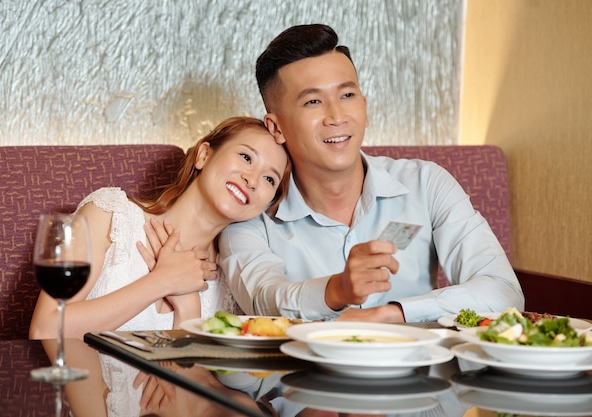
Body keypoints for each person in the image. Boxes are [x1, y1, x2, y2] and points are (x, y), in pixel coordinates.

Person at [218, 24, 524, 324]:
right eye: (313, 102)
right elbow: (263, 299)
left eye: (347, 95)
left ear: (364, 107)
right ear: (276, 127)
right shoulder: (249, 212)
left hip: (417, 370)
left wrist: (394, 313)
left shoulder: (426, 185)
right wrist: (335, 290)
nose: (337, 117)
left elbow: (503, 292)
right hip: (303, 373)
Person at [29, 116, 290, 416]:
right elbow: (46, 326)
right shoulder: (110, 215)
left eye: (270, 179)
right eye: (246, 157)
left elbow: (197, 393)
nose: (253, 179)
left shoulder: (235, 282)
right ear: (204, 154)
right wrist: (162, 281)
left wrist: (188, 311)